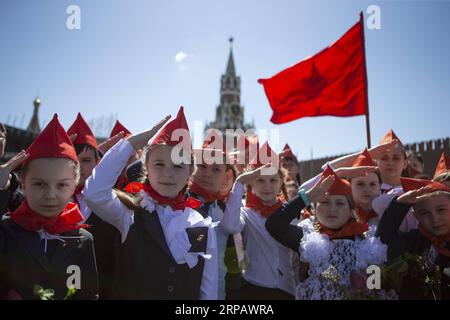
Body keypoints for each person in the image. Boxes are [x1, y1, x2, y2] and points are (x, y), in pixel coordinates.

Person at [84, 108, 218, 299]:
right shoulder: (129, 212)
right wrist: (131, 144)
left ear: (190, 172)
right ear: (146, 167)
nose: (168, 174)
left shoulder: (201, 224)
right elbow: (94, 193)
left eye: (178, 166)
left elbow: (208, 288)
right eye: (159, 164)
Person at [0, 114, 98, 300]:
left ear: (74, 185)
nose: (50, 195)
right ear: (23, 184)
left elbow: (88, 293)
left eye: (62, 185)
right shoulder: (6, 230)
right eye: (39, 184)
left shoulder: (83, 239)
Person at [266, 166, 394, 300]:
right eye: (325, 202)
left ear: (351, 210)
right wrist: (306, 197)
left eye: (339, 203)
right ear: (315, 208)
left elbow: (375, 287)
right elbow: (274, 225)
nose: (332, 209)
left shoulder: (367, 242)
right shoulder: (307, 237)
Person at [67, 112, 121, 299]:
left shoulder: (111, 203)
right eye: (73, 159)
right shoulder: (48, 199)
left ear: (98, 163)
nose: (79, 166)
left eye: (86, 160)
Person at [376, 177, 450, 299]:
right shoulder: (413, 241)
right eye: (424, 213)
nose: (434, 219)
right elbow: (382, 247)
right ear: (415, 216)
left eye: (441, 210)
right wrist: (398, 205)